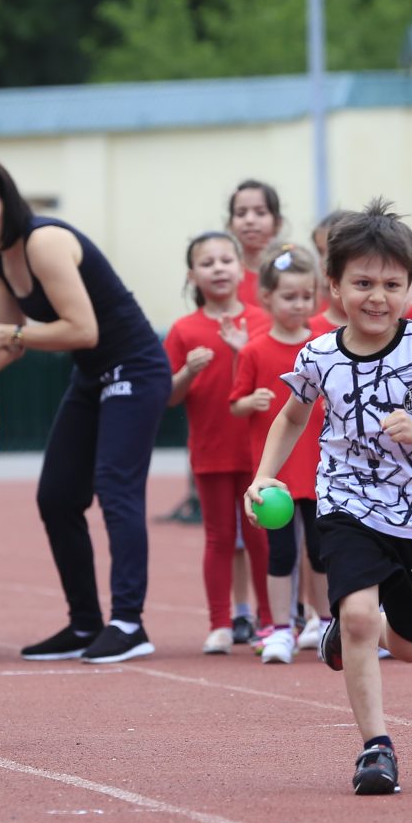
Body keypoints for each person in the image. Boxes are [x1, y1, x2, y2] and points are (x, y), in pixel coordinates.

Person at [247, 201, 412, 795]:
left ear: (411, 287)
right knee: (354, 615)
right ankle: (376, 749)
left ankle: (359, 633)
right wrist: (264, 476)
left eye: (391, 285)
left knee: (410, 647)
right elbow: (292, 417)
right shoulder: (319, 354)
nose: (377, 297)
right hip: (347, 502)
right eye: (363, 283)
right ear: (335, 286)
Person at [0, 154, 170, 665]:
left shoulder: (45, 241)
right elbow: (7, 348)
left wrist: (11, 331)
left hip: (136, 368)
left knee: (115, 487)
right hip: (92, 376)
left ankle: (129, 623)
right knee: (55, 497)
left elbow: (81, 330)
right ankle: (85, 623)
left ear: (8, 203)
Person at [167, 231, 272, 654]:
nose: (218, 269)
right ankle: (219, 623)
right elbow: (169, 396)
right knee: (219, 538)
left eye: (225, 260)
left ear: (240, 267)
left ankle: (270, 620)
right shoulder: (183, 330)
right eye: (207, 263)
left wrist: (246, 351)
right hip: (210, 451)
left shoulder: (263, 321)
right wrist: (188, 372)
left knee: (262, 537)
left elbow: (276, 386)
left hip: (256, 453)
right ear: (193, 274)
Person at [230, 243, 323, 664]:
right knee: (281, 553)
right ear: (266, 297)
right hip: (277, 474)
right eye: (289, 296)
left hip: (322, 471)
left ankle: (324, 623)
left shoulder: (324, 346)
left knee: (321, 552)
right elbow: (235, 402)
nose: (299, 304)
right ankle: (281, 629)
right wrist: (252, 402)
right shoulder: (253, 350)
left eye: (306, 296)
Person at [228, 180, 285, 307]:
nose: (249, 220)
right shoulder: (225, 275)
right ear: (230, 224)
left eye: (260, 212)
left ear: (278, 222)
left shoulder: (292, 269)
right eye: (241, 213)